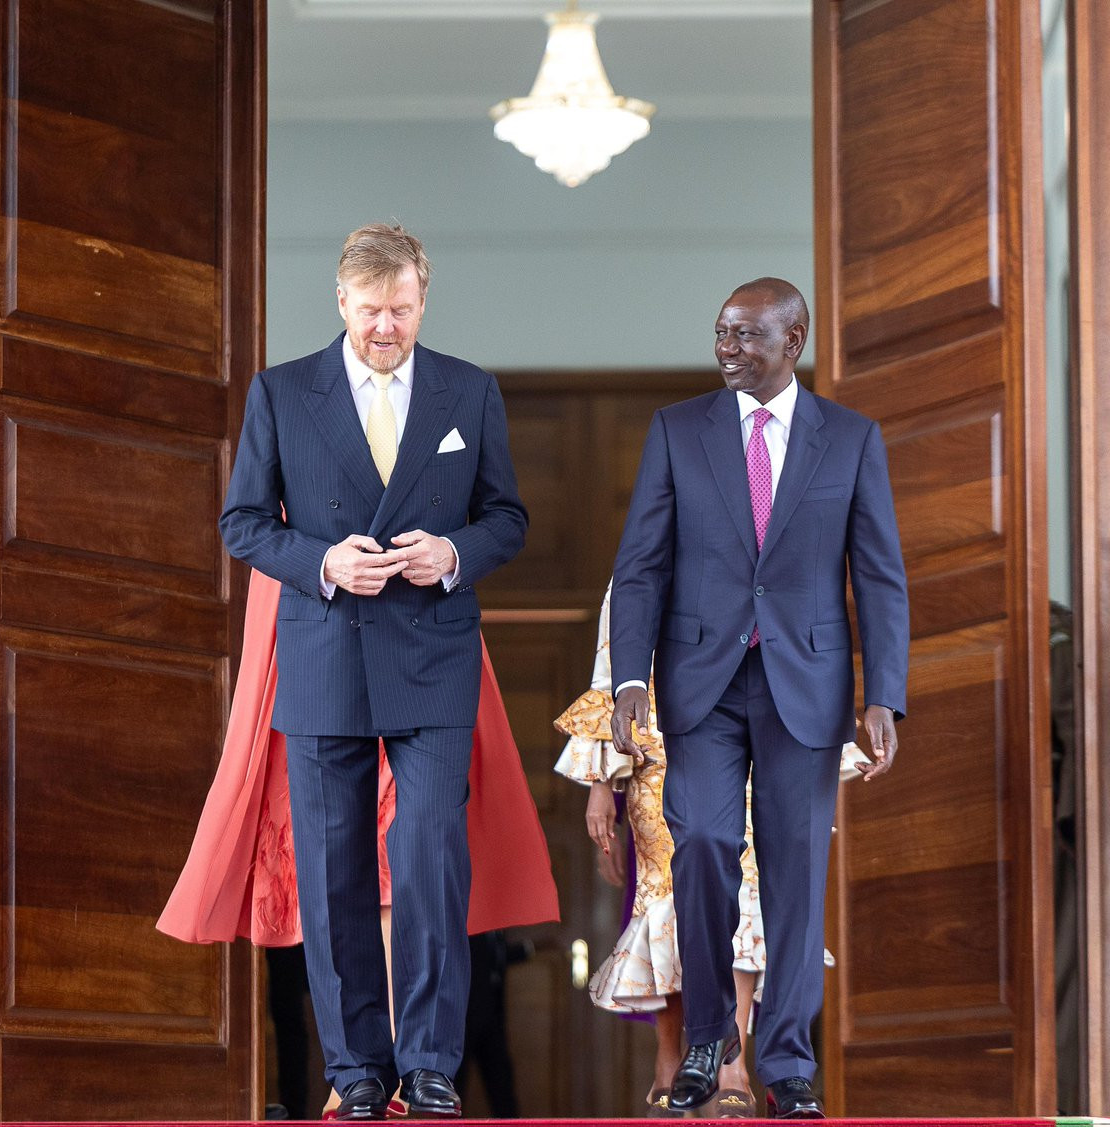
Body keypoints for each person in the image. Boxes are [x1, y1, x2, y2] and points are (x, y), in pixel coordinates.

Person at [216, 223, 530, 1121]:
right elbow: (242, 523)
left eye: (400, 309)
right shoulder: (281, 392)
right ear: (341, 302)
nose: (385, 327)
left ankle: (429, 1063)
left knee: (430, 855)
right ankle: (355, 1067)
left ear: (423, 299)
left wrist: (453, 553)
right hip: (325, 649)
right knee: (333, 867)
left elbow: (507, 517)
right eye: (369, 311)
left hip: (434, 650)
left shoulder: (469, 389)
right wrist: (322, 561)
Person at [610, 278, 909, 1119]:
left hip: (806, 685)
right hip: (701, 681)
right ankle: (710, 1037)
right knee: (703, 840)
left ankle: (787, 1061)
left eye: (745, 335)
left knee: (794, 869)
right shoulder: (677, 430)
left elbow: (878, 574)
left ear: (794, 339)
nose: (727, 349)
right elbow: (640, 564)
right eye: (721, 333)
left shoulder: (850, 438)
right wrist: (629, 678)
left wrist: (883, 693)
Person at [556, 583, 870, 1117]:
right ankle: (669, 1060)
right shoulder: (643, 561)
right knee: (672, 897)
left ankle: (732, 1064)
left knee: (746, 893)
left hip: (767, 718)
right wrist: (601, 785)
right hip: (658, 738)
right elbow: (611, 663)